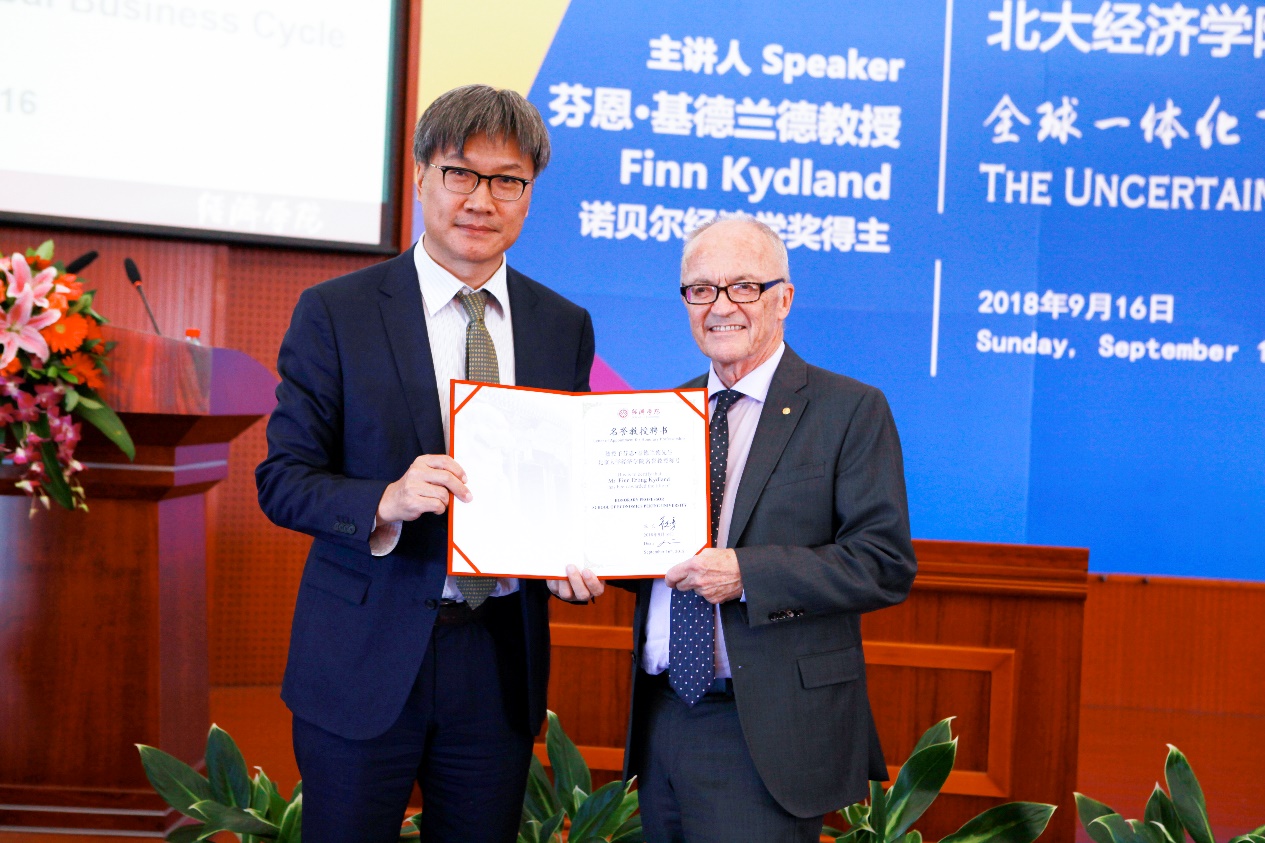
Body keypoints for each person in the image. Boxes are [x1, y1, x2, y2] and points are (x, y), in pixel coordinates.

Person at [256, 84, 604, 843]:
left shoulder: (562, 326)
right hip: (363, 654)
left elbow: (567, 480)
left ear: (529, 194)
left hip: (497, 658)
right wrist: (384, 499)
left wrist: (577, 554)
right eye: (460, 173)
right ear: (419, 175)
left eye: (507, 180)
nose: (481, 199)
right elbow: (281, 480)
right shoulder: (337, 311)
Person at [622, 215, 917, 842]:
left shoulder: (849, 409)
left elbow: (883, 562)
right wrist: (585, 563)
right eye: (701, 289)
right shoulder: (659, 413)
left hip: (768, 727)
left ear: (784, 298)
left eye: (743, 287)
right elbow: (647, 555)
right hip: (661, 715)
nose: (720, 306)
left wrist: (746, 574)